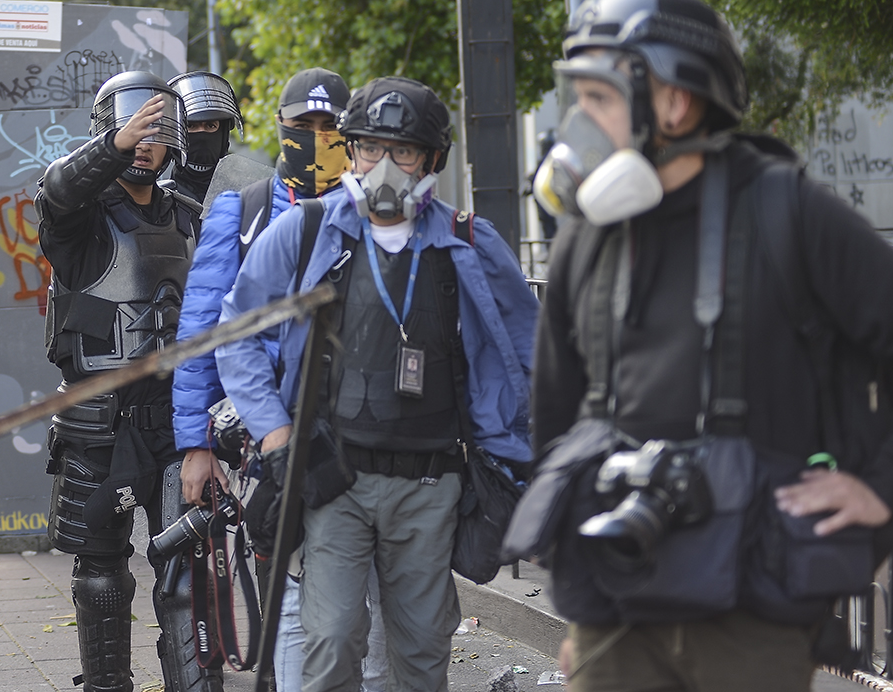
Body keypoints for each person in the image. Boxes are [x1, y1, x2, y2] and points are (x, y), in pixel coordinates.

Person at [520, 0, 893, 692]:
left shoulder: (792, 212)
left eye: (597, 98)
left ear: (675, 101)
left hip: (753, 608)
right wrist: (578, 615)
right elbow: (556, 425)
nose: (577, 123)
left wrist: (884, 486)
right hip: (617, 601)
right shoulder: (584, 241)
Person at [216, 76, 537, 692]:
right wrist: (278, 437)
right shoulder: (306, 231)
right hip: (335, 479)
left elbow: (532, 354)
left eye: (404, 152)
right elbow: (238, 329)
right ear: (350, 149)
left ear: (432, 159)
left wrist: (526, 460)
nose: (383, 166)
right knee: (331, 641)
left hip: (432, 482)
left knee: (420, 657)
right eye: (368, 148)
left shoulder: (470, 243)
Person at [173, 67, 391, 691]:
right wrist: (194, 444)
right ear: (281, 128)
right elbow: (203, 335)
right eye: (304, 125)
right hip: (278, 442)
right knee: (292, 606)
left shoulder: (386, 209)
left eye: (331, 127)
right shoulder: (242, 210)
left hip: (375, 435)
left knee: (377, 616)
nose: (317, 138)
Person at [35, 70, 216, 692]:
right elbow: (57, 189)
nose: (144, 141)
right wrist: (115, 144)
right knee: (102, 573)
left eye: (157, 128)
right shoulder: (78, 220)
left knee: (188, 572)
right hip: (99, 422)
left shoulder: (186, 214)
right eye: (130, 127)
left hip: (175, 417)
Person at [167, 70, 243, 202]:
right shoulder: (157, 197)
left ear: (223, 135)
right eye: (191, 126)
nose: (202, 135)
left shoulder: (244, 196)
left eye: (210, 126)